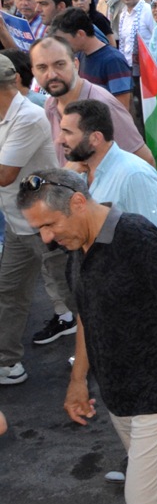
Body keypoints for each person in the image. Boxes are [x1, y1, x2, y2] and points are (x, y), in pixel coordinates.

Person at [19, 168, 157, 504]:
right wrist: (77, 379)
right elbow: (86, 317)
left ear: (78, 202)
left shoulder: (137, 237)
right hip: (117, 398)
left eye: (49, 224)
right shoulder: (76, 251)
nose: (46, 238)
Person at [0, 55, 61, 386]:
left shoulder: (28, 117)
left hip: (49, 228)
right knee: (8, 292)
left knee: (78, 296)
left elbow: (5, 175)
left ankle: (104, 356)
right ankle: (7, 362)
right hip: (17, 226)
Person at [58, 99, 157, 237]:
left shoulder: (134, 176)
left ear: (95, 138)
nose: (60, 140)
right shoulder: (79, 173)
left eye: (68, 132)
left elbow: (156, 243)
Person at [32, 36, 151, 166]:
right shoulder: (50, 105)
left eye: (60, 64)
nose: (52, 74)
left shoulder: (103, 105)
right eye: (42, 68)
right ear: (33, 71)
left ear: (75, 64)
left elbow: (145, 161)